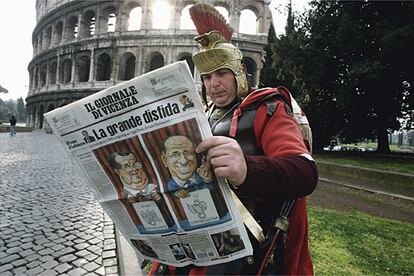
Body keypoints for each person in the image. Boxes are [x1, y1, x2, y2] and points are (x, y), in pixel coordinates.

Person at [149, 3, 318, 275]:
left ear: (240, 71)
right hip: (197, 239)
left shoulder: (267, 108)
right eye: (206, 77)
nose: (213, 84)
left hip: (246, 252)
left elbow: (304, 173)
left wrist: (247, 170)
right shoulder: (204, 114)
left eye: (221, 74)